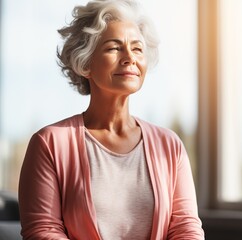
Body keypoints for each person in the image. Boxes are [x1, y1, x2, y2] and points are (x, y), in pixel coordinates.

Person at [18, 0, 204, 239]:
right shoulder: (49, 143)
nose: (129, 58)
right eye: (114, 48)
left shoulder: (170, 146)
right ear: (85, 63)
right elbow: (43, 231)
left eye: (137, 48)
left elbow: (185, 228)